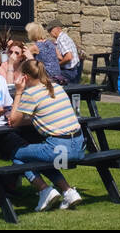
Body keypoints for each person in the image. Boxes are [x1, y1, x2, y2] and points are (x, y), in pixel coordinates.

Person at [7, 59, 84, 210]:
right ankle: (68, 192)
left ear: (25, 77)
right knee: (37, 157)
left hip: (60, 149)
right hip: (79, 146)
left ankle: (44, 190)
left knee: (16, 154)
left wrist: (18, 91)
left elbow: (14, 121)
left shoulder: (30, 93)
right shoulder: (56, 87)